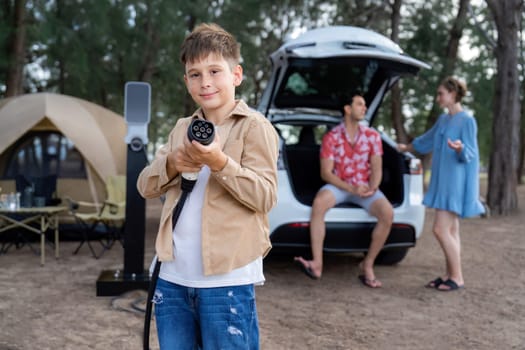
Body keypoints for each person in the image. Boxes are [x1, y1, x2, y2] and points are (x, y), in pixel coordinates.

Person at [137, 23, 279, 349]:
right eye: (195, 74)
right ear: (186, 80)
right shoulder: (182, 128)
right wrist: (172, 163)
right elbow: (145, 186)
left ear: (236, 75)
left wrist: (219, 163)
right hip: (171, 278)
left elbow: (265, 196)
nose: (206, 82)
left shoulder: (255, 127)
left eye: (215, 71)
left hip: (225, 281)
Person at [294, 93, 393, 288]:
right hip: (340, 186)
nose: (364, 108)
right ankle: (317, 263)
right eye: (360, 104)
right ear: (347, 109)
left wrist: (372, 187)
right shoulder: (331, 137)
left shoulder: (373, 136)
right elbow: (326, 173)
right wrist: (351, 188)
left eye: (364, 105)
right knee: (319, 202)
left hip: (365, 188)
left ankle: (367, 265)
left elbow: (377, 167)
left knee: (387, 213)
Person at [397, 76, 485, 292]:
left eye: (441, 94)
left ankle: (457, 277)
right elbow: (427, 140)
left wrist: (459, 149)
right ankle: (450, 274)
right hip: (441, 179)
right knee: (452, 230)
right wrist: (406, 148)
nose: (438, 98)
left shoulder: (467, 121)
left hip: (454, 182)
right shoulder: (444, 120)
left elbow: (471, 154)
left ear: (453, 94)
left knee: (439, 229)